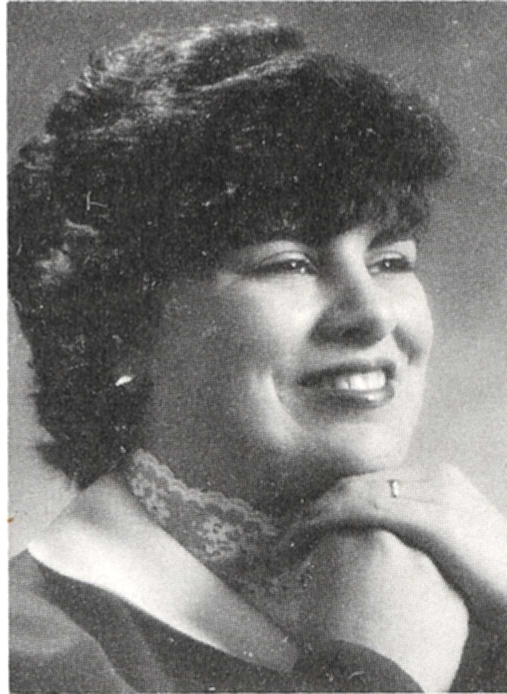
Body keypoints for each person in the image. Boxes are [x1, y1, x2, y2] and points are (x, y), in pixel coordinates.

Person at [9, 19, 507, 693]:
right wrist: (369, 678)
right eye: (289, 262)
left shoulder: (479, 590)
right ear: (122, 324)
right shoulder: (30, 650)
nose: (372, 314)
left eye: (390, 260)